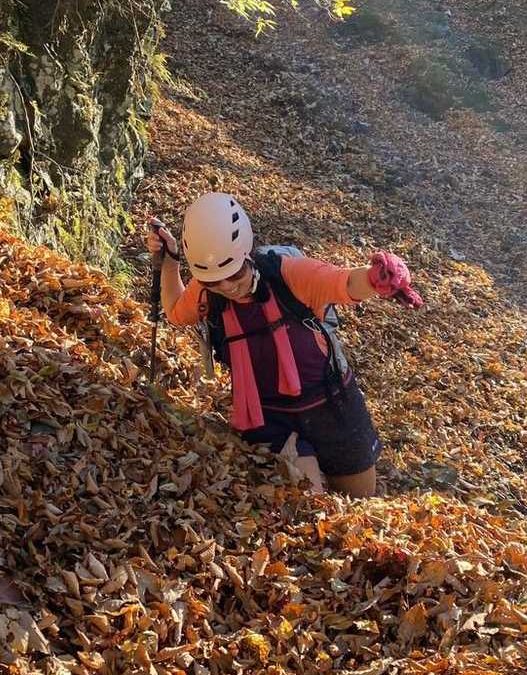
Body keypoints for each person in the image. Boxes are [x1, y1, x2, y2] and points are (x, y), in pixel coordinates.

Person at [145, 192, 422, 496]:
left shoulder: (289, 275)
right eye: (214, 282)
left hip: (331, 405)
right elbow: (176, 312)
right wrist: (170, 262)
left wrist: (377, 279)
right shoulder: (206, 291)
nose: (227, 287)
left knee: (359, 499)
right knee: (310, 502)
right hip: (266, 415)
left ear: (245, 254)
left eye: (235, 274)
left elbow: (343, 282)